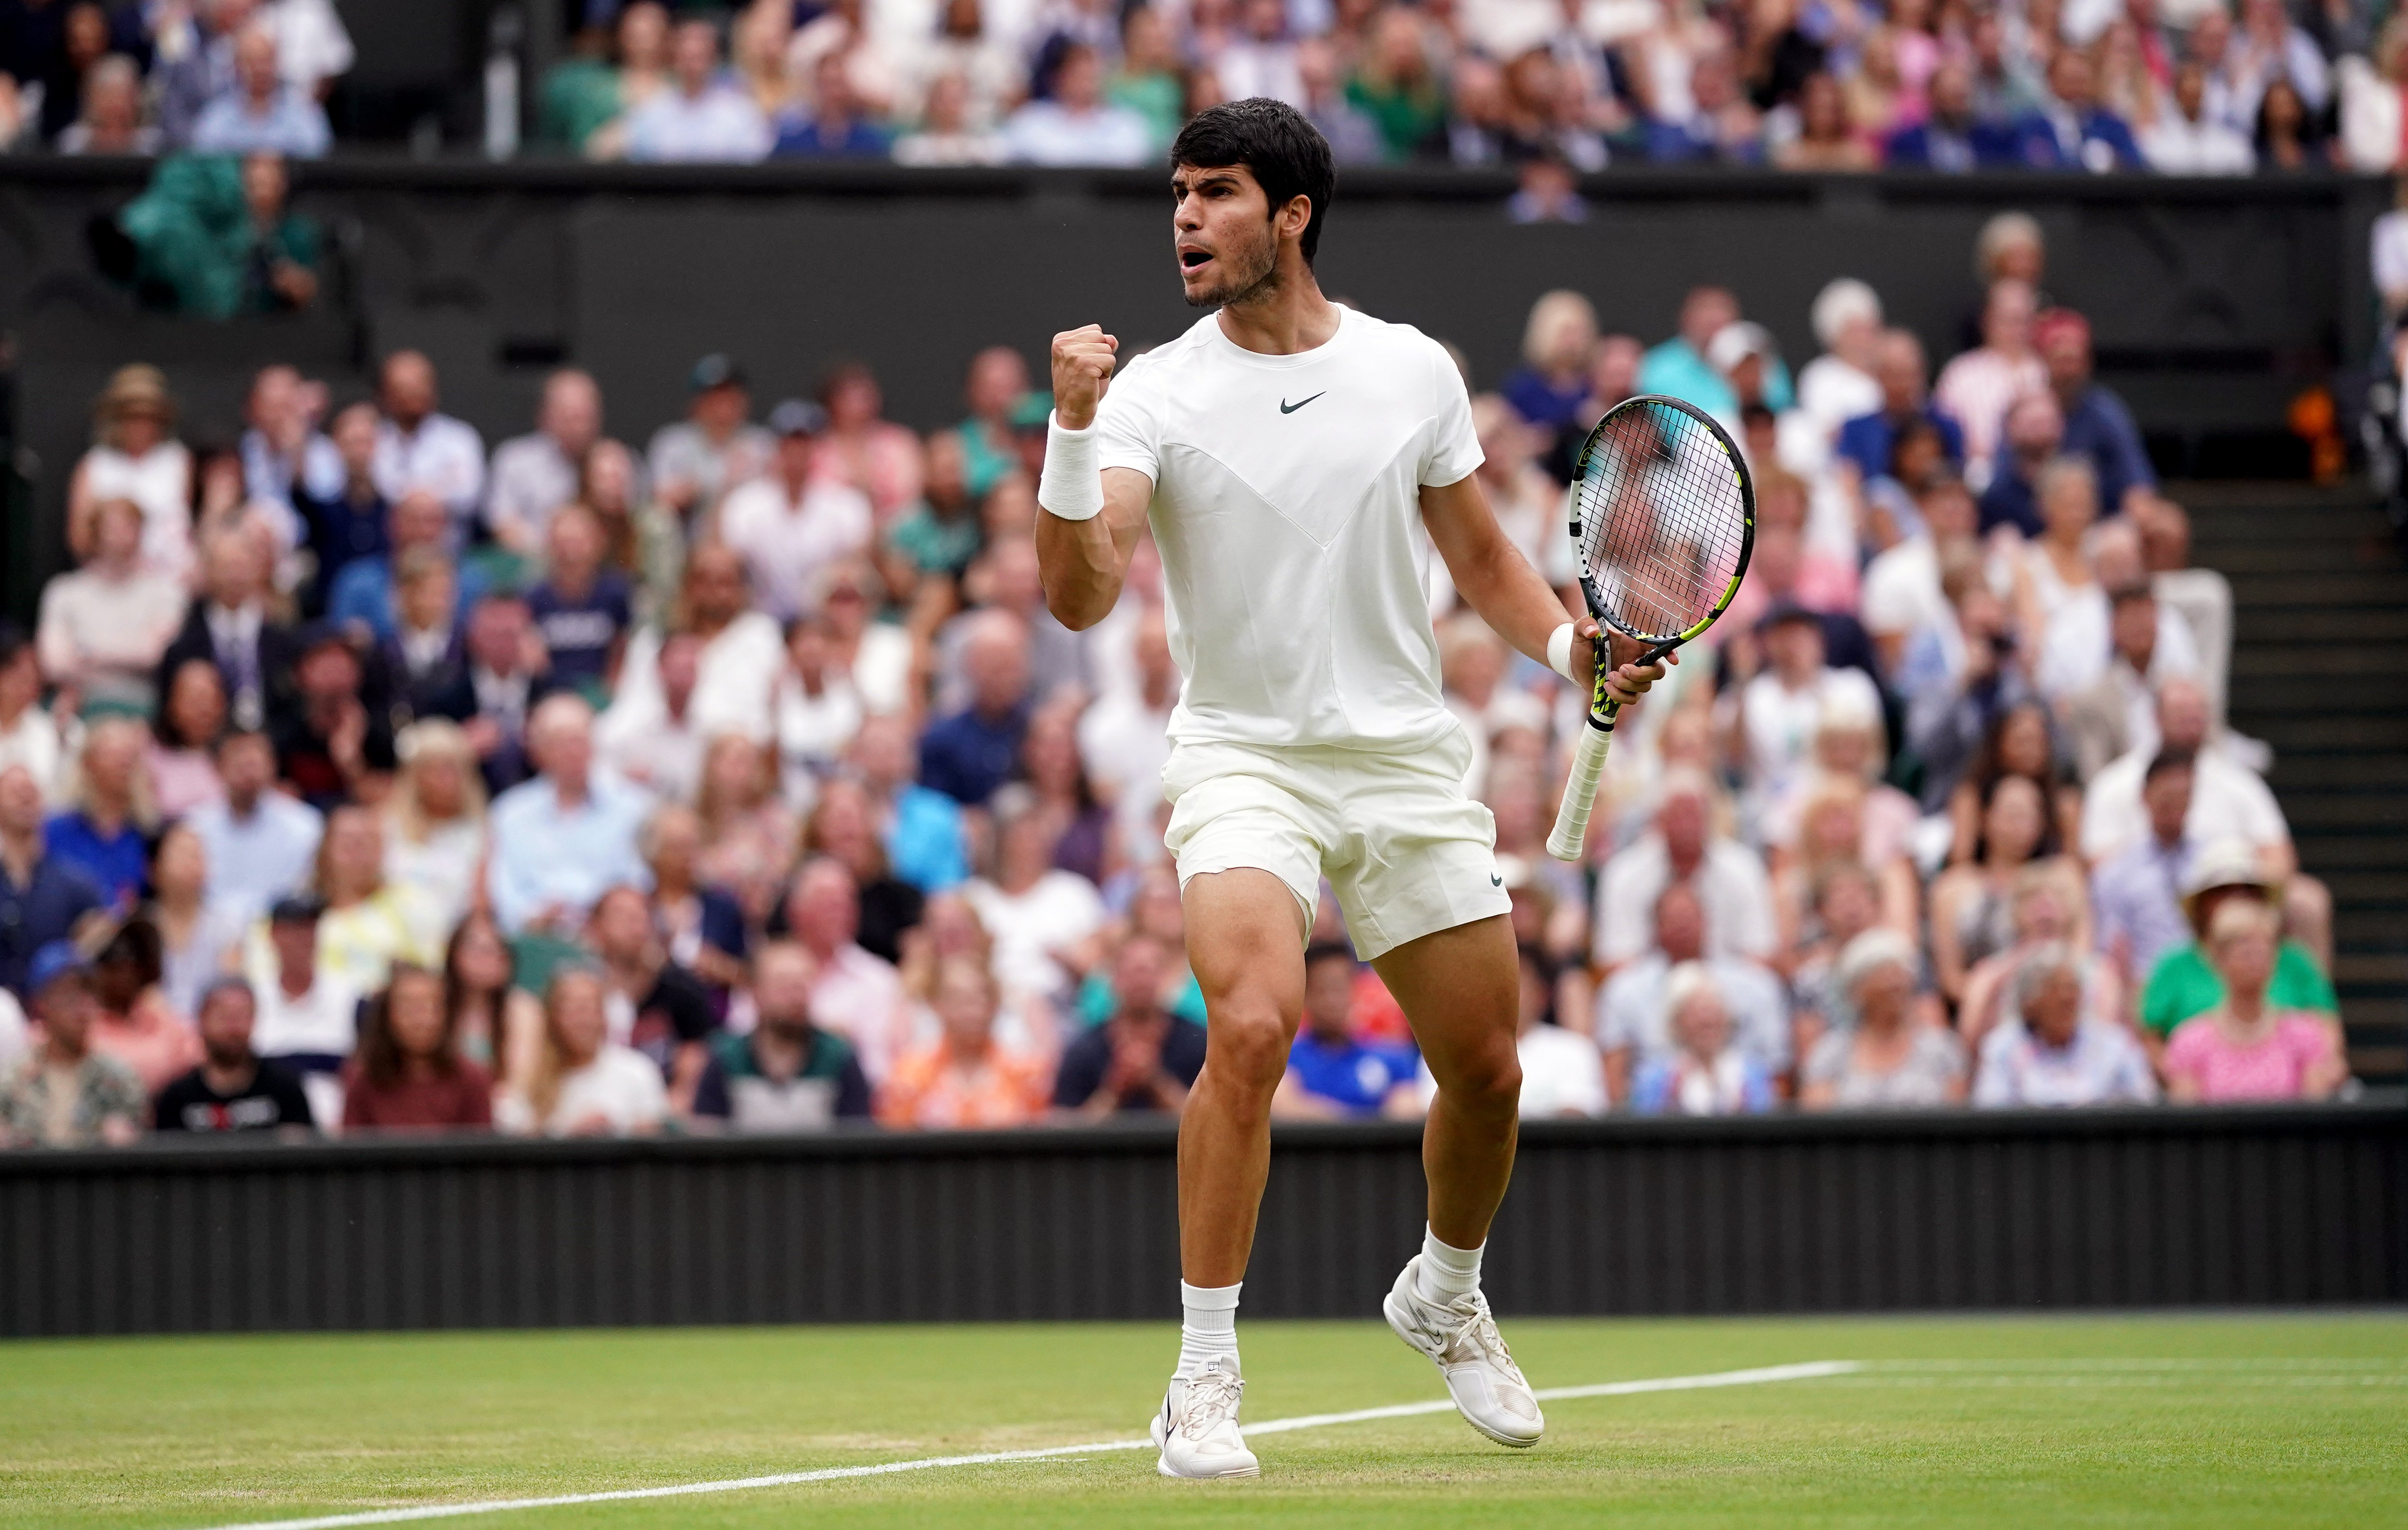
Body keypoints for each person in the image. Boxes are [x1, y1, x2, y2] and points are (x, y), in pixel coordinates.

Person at [1037, 100, 1671, 1474]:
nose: (1184, 220)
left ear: (1291, 215)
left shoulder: (1409, 372)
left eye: (1214, 194)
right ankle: (1201, 1377)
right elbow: (1079, 594)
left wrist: (1573, 650)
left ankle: (1442, 1293)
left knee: (1488, 1071)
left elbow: (1487, 561)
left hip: (1398, 757)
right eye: (1177, 194)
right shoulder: (1147, 390)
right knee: (1254, 1026)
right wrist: (1071, 433)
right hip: (1243, 759)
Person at [2138, 840, 2338, 1050]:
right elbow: (2149, 1039)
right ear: (2201, 903)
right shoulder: (2174, 966)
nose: (2236, 897)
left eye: (2248, 889)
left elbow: (2329, 1034)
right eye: (2222, 890)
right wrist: (2184, 1077)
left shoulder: (2296, 962)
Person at [485, 695, 651, 936]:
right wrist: (534, 916)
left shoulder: (633, 807)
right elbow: (504, 889)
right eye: (560, 744)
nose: (573, 752)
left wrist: (600, 918)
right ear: (538, 752)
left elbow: (641, 880)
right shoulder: (511, 813)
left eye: (579, 741)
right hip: (536, 936)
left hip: (612, 936)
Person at [2163, 899, 2346, 1103]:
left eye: (2263, 950)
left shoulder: (2304, 1035)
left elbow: (2316, 1116)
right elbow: (2185, 1122)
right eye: (2244, 950)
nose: (2254, 960)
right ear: (2218, 958)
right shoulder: (2189, 1041)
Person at [716, 400, 874, 625]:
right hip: (759, 623)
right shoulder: (744, 504)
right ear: (776, 447)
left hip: (826, 626)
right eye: (788, 444)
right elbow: (728, 568)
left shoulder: (846, 504)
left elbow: (858, 570)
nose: (796, 453)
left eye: (805, 443)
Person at [689, 941, 872, 1130]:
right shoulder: (725, 1058)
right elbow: (706, 1136)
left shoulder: (841, 1057)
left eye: (803, 985)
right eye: (784, 986)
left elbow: (857, 1140)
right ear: (755, 992)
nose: (796, 997)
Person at [36, 499, 186, 712]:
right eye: (112, 529)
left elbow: (154, 655)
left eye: (130, 527)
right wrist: (125, 659)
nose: (121, 537)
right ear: (95, 534)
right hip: (79, 702)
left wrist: (88, 654)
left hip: (144, 705)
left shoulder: (166, 592)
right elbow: (54, 665)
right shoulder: (63, 591)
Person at [1971, 943, 2156, 1108]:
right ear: (2029, 1003)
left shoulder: (2115, 1045)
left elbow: (2144, 1105)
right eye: (2055, 989)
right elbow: (1992, 1112)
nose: (2068, 999)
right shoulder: (2003, 1047)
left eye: (2073, 988)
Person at [876, 955, 1051, 1129]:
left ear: (995, 1004)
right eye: (960, 1001)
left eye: (982, 999)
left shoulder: (1026, 1071)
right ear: (936, 1004)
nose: (973, 1011)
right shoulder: (909, 1075)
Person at [1799, 931, 1966, 1108]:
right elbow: (1817, 1122)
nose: (1895, 984)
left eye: (1900, 974)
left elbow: (1956, 1120)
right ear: (1856, 991)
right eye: (1884, 975)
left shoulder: (1942, 1049)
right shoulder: (1830, 1053)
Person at [0, 942, 145, 1147]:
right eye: (70, 996)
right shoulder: (11, 1080)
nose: (83, 1008)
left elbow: (141, 1145)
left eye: (90, 995)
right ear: (42, 1004)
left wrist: (125, 1141)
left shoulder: (119, 1079)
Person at [496, 966, 668, 1137]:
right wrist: (568, 1134)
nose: (584, 1021)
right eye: (574, 1011)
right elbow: (513, 1132)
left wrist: (615, 1129)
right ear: (553, 1018)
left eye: (592, 1009)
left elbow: (652, 1136)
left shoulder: (637, 1070)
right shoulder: (531, 1078)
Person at [1051, 932, 1207, 1118]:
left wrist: (1156, 1081)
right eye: (1133, 971)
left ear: (1166, 978)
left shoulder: (1198, 1043)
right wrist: (1114, 1089)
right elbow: (1062, 1129)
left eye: (1149, 971)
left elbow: (1210, 1124)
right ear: (1114, 978)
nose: (1141, 981)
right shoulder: (1084, 1049)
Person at [67, 364, 194, 585]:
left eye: (150, 417)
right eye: (132, 417)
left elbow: (187, 527)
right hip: (111, 579)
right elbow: (79, 539)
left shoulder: (178, 460)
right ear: (115, 419)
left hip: (172, 579)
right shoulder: (94, 464)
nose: (141, 426)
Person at [185, 728, 323, 927]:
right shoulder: (195, 827)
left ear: (273, 766)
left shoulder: (305, 826)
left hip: (282, 930)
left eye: (256, 759)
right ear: (219, 767)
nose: (248, 766)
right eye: (238, 755)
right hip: (208, 933)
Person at [1271, 943, 1419, 1119]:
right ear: (1305, 996)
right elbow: (1283, 1107)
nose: (1332, 1000)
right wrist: (1365, 1121)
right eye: (1321, 990)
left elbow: (1407, 1112)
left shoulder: (1393, 1055)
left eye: (1339, 988)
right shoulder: (1285, 1056)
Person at [153, 976, 317, 1134]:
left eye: (242, 1016)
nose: (233, 1029)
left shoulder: (286, 1089)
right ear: (201, 1020)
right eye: (224, 1017)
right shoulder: (176, 1098)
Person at [341, 963, 494, 1131]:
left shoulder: (472, 1081)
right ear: (387, 1014)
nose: (422, 1020)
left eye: (432, 1006)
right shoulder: (362, 1080)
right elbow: (351, 1151)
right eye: (410, 1008)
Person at [1626, 963, 1776, 1116]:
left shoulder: (1753, 1074)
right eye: (1696, 1013)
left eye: (1714, 1011)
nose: (1707, 1021)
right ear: (1676, 1022)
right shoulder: (1653, 1078)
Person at [484, 369, 605, 557]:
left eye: (585, 417)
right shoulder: (514, 459)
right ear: (545, 416)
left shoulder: (617, 462)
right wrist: (561, 551)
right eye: (569, 417)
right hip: (532, 568)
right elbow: (502, 525)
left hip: (598, 571)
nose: (578, 427)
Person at [646, 354, 776, 524]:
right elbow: (661, 499)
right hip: (687, 539)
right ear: (697, 403)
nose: (724, 407)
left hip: (748, 540)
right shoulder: (673, 444)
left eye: (732, 396)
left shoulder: (762, 443)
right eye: (716, 397)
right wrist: (718, 482)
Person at [622, 17, 772, 163]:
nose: (692, 66)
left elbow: (754, 166)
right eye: (686, 57)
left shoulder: (742, 113)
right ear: (674, 59)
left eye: (699, 57)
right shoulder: (650, 112)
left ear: (714, 59)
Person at [372, 351, 487, 540]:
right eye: (403, 389)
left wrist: (410, 497)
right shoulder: (375, 438)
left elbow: (467, 497)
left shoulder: (459, 438)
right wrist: (437, 487)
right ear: (384, 394)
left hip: (450, 550)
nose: (412, 396)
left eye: (419, 387)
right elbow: (378, 493)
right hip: (388, 549)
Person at [44, 718, 153, 912]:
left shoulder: (148, 835)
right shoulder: (55, 830)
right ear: (88, 764)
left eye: (130, 757)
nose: (124, 763)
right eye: (112, 755)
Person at [1003, 41, 1152, 166]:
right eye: (1078, 74)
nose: (1086, 83)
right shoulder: (1029, 122)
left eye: (1092, 75)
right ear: (1058, 78)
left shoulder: (1127, 125)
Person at [190, 24, 329, 156]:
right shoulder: (216, 117)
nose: (261, 69)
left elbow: (317, 160)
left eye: (266, 60)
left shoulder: (304, 112)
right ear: (236, 66)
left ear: (278, 62)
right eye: (252, 62)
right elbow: (204, 163)